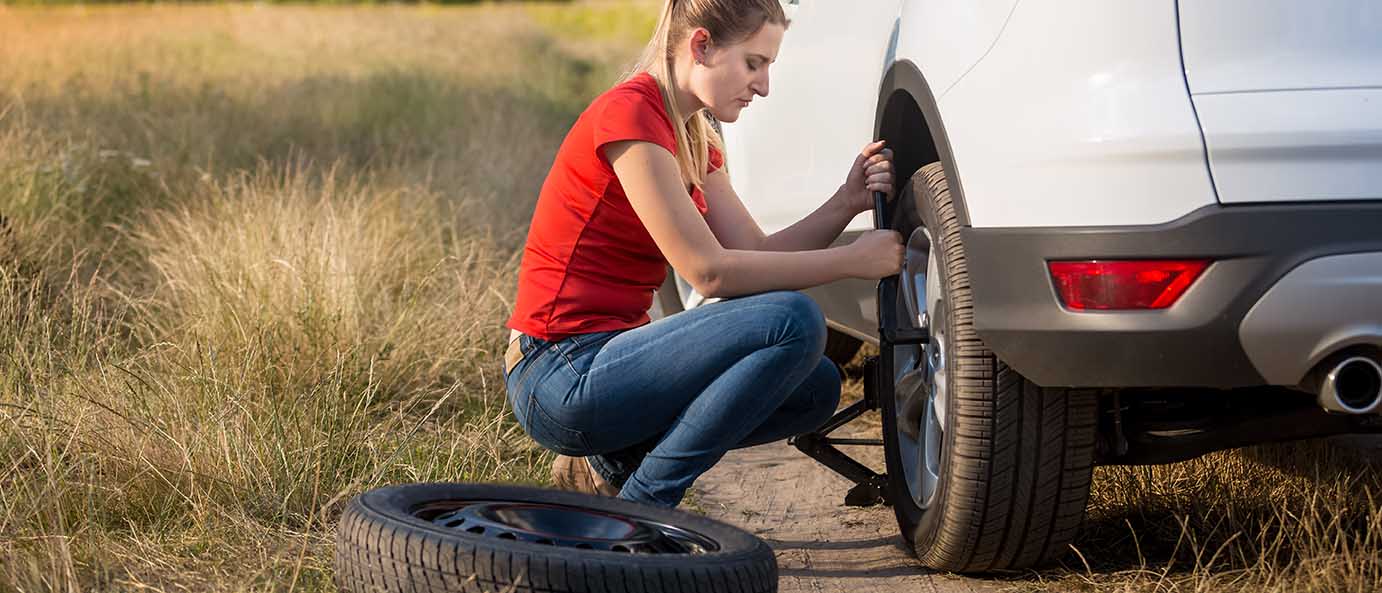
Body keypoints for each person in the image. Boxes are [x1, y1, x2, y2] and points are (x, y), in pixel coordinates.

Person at [502, 0, 903, 509]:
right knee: (794, 320)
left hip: (605, 362)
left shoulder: (694, 136)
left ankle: (609, 467)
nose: (763, 86)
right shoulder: (629, 114)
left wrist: (845, 205)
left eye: (769, 68)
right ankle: (645, 509)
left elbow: (754, 252)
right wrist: (851, 261)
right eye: (754, 63)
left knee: (815, 387)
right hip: (558, 372)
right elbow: (709, 272)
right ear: (701, 46)